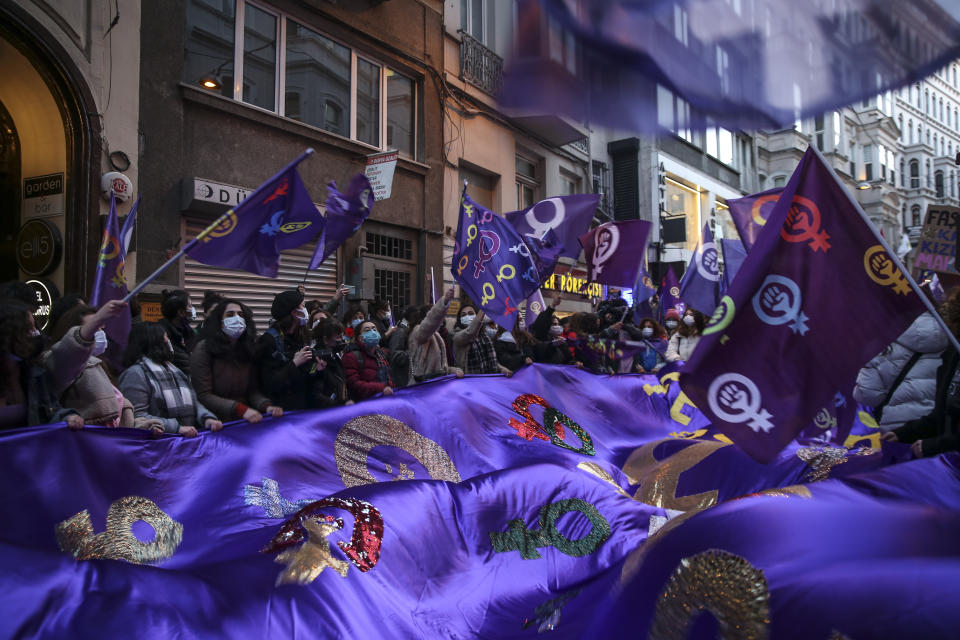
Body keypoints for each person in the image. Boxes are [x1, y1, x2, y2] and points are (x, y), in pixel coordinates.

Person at [882, 289, 960, 457]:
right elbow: (940, 416)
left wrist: (933, 446)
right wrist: (904, 433)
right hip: (944, 466)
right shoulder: (952, 354)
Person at [118, 322, 222, 437]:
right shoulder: (135, 374)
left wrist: (206, 418)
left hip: (184, 441)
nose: (169, 342)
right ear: (154, 341)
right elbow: (137, 416)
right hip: (157, 444)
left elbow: (192, 402)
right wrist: (176, 428)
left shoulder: (174, 370)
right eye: (166, 337)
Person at [44, 303, 136, 427]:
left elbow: (118, 418)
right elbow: (69, 356)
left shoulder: (99, 364)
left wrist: (143, 426)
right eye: (93, 328)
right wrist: (97, 318)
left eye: (101, 328)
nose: (100, 333)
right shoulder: (57, 361)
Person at [191, 300, 283, 424]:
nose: (237, 318)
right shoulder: (204, 349)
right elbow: (203, 395)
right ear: (219, 321)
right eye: (230, 315)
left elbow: (252, 390)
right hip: (214, 422)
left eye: (240, 315)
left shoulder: (248, 348)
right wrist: (240, 409)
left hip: (243, 421)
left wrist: (266, 406)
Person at [853, 311, 949, 431]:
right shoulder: (951, 338)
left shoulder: (888, 338)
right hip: (937, 430)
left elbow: (866, 393)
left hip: (894, 428)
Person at [0, 299, 85, 430]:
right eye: (28, 329)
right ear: (7, 335)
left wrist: (67, 418)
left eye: (35, 327)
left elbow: (49, 413)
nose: (35, 333)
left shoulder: (34, 373)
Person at [255, 289, 317, 411]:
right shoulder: (269, 341)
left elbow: (306, 377)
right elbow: (270, 384)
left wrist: (316, 369)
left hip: (302, 408)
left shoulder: (301, 336)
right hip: (280, 412)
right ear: (294, 312)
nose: (306, 311)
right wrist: (295, 363)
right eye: (303, 306)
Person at [408, 288, 464, 384]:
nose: (440, 319)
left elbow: (442, 369)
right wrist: (445, 301)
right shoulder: (418, 332)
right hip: (422, 388)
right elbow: (431, 321)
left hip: (436, 386)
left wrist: (454, 371)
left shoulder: (437, 336)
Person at [342, 319, 395, 400]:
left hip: (386, 400)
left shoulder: (381, 354)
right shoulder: (351, 356)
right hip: (365, 405)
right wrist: (381, 388)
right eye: (367, 330)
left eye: (374, 329)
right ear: (360, 338)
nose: (373, 332)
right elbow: (353, 384)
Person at [453, 304, 511, 375]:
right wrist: (483, 309)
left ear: (476, 315)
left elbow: (491, 361)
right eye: (463, 315)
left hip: (488, 381)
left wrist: (503, 370)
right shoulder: (457, 336)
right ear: (459, 319)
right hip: (469, 381)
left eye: (471, 314)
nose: (467, 316)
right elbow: (470, 332)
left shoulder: (484, 336)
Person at [311, 318, 351, 407]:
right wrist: (340, 405)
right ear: (325, 339)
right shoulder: (316, 361)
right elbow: (316, 395)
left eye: (342, 335)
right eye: (338, 336)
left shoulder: (334, 357)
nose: (342, 339)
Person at [158, 289, 195, 376]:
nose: (193, 309)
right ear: (181, 312)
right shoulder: (161, 335)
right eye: (190, 306)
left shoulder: (189, 332)